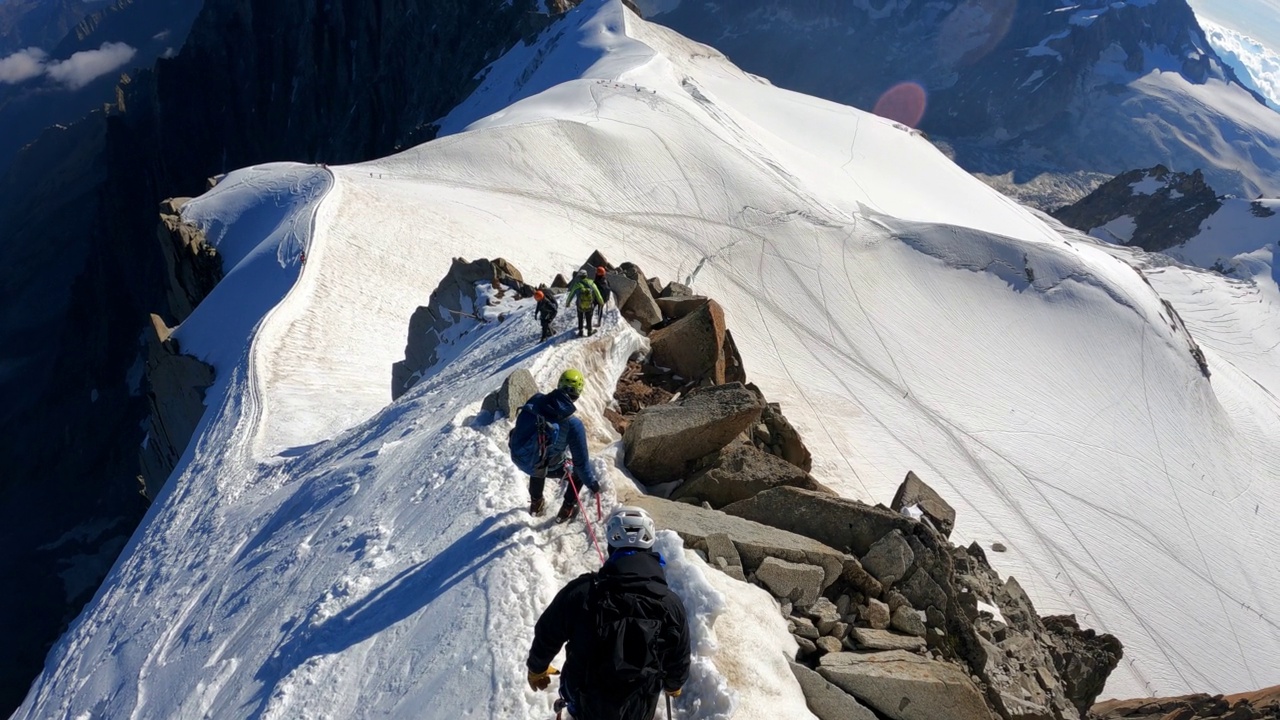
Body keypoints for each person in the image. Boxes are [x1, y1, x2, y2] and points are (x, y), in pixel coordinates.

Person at [527, 507, 691, 720]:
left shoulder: (582, 592)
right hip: (640, 704)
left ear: (611, 546)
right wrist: (673, 684)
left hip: (584, 699)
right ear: (650, 547)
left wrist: (537, 667)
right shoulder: (669, 603)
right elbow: (679, 653)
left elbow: (548, 632)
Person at [511, 369, 600, 519]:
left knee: (540, 458)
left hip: (520, 456)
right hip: (546, 465)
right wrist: (593, 484)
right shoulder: (573, 424)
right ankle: (566, 508)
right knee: (576, 475)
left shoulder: (536, 400)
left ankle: (536, 503)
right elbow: (582, 465)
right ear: (578, 394)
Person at [565, 269, 604, 337]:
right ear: (586, 275)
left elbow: (571, 295)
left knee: (580, 317)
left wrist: (567, 303)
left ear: (579, 276)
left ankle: (580, 331)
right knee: (589, 317)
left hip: (580, 305)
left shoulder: (577, 285)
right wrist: (601, 302)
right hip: (589, 305)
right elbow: (597, 293)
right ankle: (589, 331)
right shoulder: (592, 283)